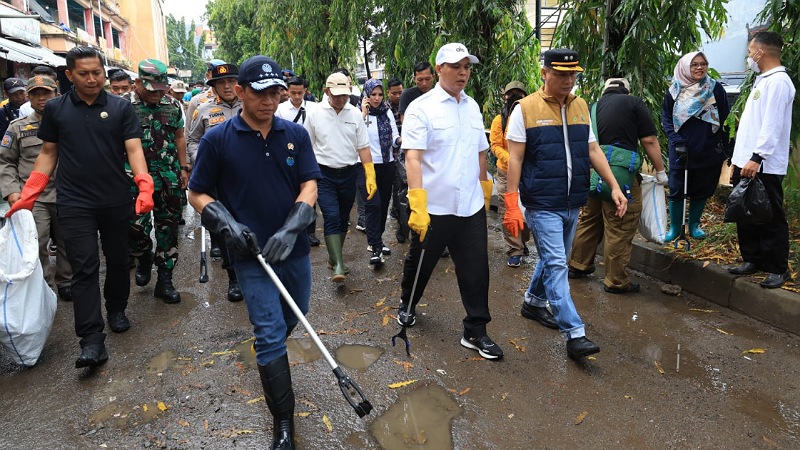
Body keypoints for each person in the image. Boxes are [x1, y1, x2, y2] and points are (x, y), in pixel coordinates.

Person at [188, 55, 320, 450]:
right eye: (261, 93)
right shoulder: (217, 139)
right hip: (250, 253)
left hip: (292, 248)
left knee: (297, 311)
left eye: (276, 93)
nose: (270, 101)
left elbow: (310, 184)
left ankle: (270, 347)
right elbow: (197, 193)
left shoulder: (295, 134)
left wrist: (293, 226)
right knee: (269, 332)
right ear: (241, 91)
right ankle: (284, 425)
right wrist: (226, 223)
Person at [4, 46, 153, 369]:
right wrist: (30, 192)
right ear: (69, 75)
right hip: (74, 201)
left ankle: (116, 308)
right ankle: (91, 340)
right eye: (83, 74)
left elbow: (133, 149)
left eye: (97, 73)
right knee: (83, 268)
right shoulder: (56, 109)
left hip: (115, 199)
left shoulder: (120, 107)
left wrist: (144, 183)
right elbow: (48, 153)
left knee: (118, 260)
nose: (92, 79)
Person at [504, 48, 628, 360]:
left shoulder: (581, 106)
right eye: (561, 74)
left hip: (573, 200)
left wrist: (614, 186)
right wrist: (511, 203)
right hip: (541, 201)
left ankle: (533, 302)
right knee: (558, 263)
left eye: (572, 74)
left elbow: (593, 150)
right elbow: (515, 159)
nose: (568, 80)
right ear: (544, 73)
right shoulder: (524, 109)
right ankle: (574, 333)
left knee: (553, 257)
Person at [398, 42, 502, 360]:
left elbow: (480, 152)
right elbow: (413, 158)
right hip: (434, 207)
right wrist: (417, 203)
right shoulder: (422, 108)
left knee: (476, 269)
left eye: (467, 67)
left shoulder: (472, 107)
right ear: (439, 68)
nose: (463, 72)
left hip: (469, 205)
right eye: (456, 66)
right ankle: (408, 303)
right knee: (421, 262)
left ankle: (476, 330)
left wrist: (484, 188)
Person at [568, 78, 668, 293]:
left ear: (605, 91)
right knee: (620, 225)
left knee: (590, 219)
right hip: (621, 177)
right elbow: (649, 140)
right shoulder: (634, 103)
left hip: (594, 174)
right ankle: (616, 280)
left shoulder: (592, 107)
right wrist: (660, 171)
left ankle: (578, 264)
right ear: (626, 91)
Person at [728, 31, 795, 289]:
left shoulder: (779, 82)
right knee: (746, 211)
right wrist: (738, 159)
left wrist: (757, 157)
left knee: (770, 215)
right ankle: (752, 259)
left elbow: (772, 125)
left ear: (760, 52)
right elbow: (751, 125)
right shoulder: (762, 80)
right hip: (746, 160)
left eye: (749, 52)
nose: (748, 57)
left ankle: (777, 268)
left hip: (763, 163)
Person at [0, 75, 73, 301]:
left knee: (68, 241)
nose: (41, 98)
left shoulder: (70, 122)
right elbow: (5, 161)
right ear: (28, 98)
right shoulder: (18, 127)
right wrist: (12, 191)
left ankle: (66, 281)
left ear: (56, 94)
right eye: (35, 94)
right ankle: (43, 285)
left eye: (46, 93)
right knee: (37, 242)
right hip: (34, 197)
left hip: (67, 193)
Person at [122, 59, 189, 304]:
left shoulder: (173, 105)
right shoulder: (123, 106)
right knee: (134, 227)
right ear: (137, 82)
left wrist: (183, 168)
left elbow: (179, 137)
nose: (157, 95)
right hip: (133, 179)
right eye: (152, 90)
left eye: (161, 89)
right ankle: (143, 256)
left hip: (168, 177)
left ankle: (165, 280)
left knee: (168, 229)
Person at [304, 71, 375, 283]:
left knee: (344, 217)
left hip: (348, 172)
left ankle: (335, 256)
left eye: (345, 95)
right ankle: (338, 265)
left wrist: (370, 175)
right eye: (336, 95)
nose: (341, 99)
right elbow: (306, 146)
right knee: (332, 216)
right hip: (323, 173)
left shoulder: (354, 114)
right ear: (326, 92)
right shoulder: (315, 113)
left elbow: (363, 147)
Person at [188, 63, 244, 302]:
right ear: (214, 86)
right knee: (225, 228)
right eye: (221, 82)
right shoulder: (203, 110)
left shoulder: (250, 105)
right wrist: (202, 161)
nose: (227, 86)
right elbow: (192, 140)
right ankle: (234, 277)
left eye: (232, 81)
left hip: (247, 178)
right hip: (218, 181)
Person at [661, 51, 730, 241]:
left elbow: (726, 118)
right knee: (677, 188)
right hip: (680, 149)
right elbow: (666, 119)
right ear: (685, 67)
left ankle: (694, 226)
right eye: (694, 64)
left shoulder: (715, 88)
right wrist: (676, 141)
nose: (700, 67)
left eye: (703, 64)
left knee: (702, 188)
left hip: (708, 148)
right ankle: (675, 228)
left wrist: (728, 147)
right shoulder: (674, 90)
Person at [489, 80, 530, 267]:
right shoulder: (500, 120)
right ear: (505, 97)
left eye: (518, 93)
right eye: (511, 93)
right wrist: (512, 160)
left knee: (527, 208)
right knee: (508, 208)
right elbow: (496, 145)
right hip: (506, 171)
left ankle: (523, 241)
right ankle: (515, 249)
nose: (514, 97)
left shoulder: (529, 118)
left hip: (527, 171)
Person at [359, 78, 400, 265]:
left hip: (387, 163)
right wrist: (363, 114)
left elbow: (394, 135)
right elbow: (355, 135)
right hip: (367, 165)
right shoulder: (360, 114)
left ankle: (378, 240)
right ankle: (374, 247)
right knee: (373, 205)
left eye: (380, 95)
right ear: (366, 95)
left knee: (383, 204)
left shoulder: (387, 112)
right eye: (373, 94)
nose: (376, 98)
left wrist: (400, 141)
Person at [276, 76, 320, 246]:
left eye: (300, 93)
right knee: (289, 192)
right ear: (287, 91)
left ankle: (310, 232)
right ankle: (289, 230)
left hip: (309, 155)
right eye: (293, 92)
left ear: (305, 91)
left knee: (309, 190)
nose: (296, 96)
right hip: (286, 156)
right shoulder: (280, 109)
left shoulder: (314, 108)